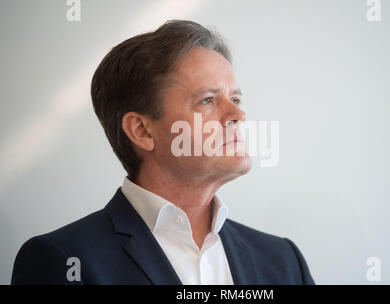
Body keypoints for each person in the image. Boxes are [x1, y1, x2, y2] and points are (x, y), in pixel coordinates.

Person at [11, 20, 314, 285]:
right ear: (142, 131)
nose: (237, 114)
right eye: (208, 100)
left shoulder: (284, 260)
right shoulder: (63, 260)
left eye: (235, 98)